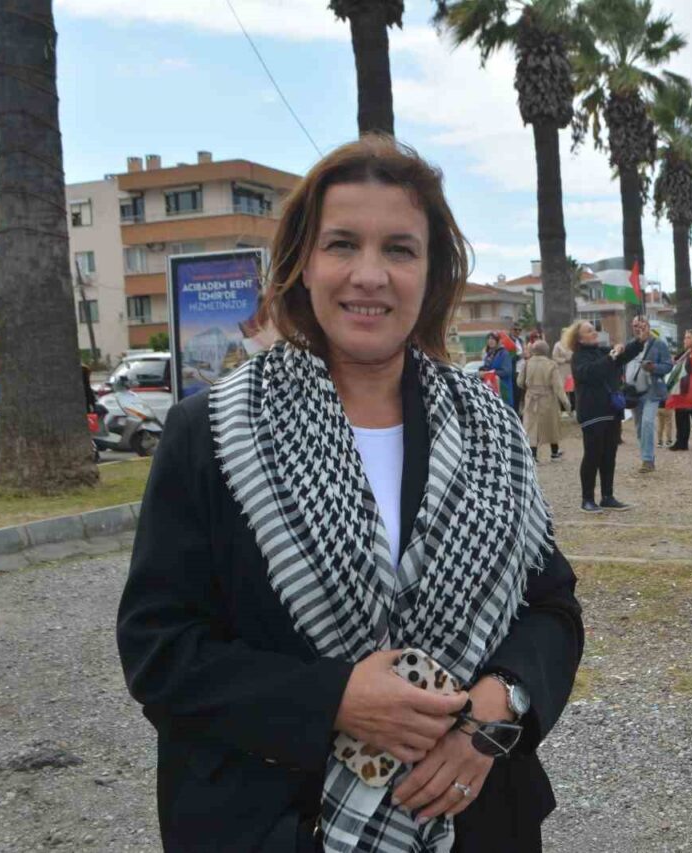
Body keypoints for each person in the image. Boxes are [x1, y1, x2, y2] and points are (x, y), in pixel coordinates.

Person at [116, 136, 582, 853]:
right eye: (341, 244)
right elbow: (160, 650)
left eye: (399, 249)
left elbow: (551, 609)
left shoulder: (489, 429)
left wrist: (496, 712)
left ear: (431, 272)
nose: (369, 275)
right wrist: (333, 699)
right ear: (303, 263)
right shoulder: (213, 430)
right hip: (275, 824)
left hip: (476, 819)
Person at [566, 320, 642, 512]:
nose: (595, 332)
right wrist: (612, 355)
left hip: (611, 411)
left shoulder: (602, 352)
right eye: (589, 331)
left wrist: (639, 340)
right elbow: (592, 372)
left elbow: (625, 355)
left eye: (594, 329)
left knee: (609, 455)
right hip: (592, 413)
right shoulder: (579, 357)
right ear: (579, 338)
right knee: (592, 456)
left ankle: (607, 496)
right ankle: (587, 499)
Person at [625, 315, 672, 473]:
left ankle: (647, 460)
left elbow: (668, 365)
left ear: (648, 326)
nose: (638, 328)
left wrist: (653, 368)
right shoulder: (630, 345)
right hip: (634, 392)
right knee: (639, 427)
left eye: (641, 325)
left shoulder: (659, 344)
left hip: (652, 391)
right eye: (635, 326)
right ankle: (647, 456)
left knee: (647, 423)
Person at [518, 340, 568, 462]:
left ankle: (533, 455)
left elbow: (519, 382)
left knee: (532, 427)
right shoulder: (551, 364)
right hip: (548, 398)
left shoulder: (527, 363)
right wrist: (566, 402)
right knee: (551, 425)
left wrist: (529, 387)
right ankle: (554, 453)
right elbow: (558, 386)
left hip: (531, 399)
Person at [480, 332, 515, 408]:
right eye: (489, 339)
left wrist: (491, 373)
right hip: (491, 388)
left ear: (498, 341)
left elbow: (507, 371)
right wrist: (482, 371)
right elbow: (487, 367)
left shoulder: (504, 354)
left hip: (503, 388)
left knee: (504, 410)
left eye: (493, 339)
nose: (490, 341)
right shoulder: (489, 354)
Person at [551, 335, 575, 412]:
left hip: (571, 370)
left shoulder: (572, 344)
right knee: (562, 390)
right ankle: (563, 409)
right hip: (562, 370)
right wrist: (564, 360)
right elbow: (554, 357)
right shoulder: (557, 345)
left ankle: (573, 408)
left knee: (572, 389)